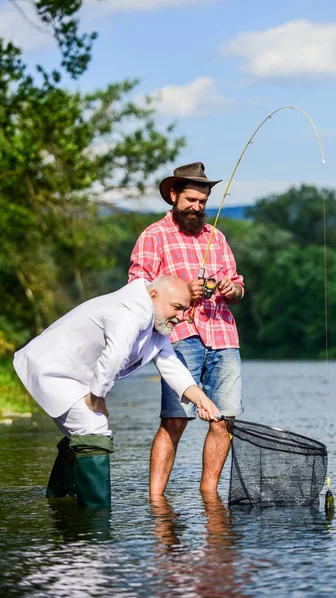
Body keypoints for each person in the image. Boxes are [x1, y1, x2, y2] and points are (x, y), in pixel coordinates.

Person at [13, 275, 220, 508]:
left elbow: (172, 367)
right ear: (153, 296)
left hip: (73, 374)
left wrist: (202, 400)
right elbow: (114, 356)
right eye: (177, 308)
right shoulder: (130, 311)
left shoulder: (157, 324)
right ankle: (96, 518)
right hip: (51, 366)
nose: (182, 317)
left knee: (81, 433)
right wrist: (96, 397)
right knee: (93, 428)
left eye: (185, 310)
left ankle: (61, 501)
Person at [129, 162, 245, 497]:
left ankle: (210, 495)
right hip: (179, 338)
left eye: (202, 201)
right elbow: (138, 287)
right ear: (174, 195)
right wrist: (182, 290)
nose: (196, 207)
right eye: (190, 199)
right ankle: (156, 498)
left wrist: (230, 289)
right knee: (175, 420)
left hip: (223, 337)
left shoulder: (216, 237)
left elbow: (238, 288)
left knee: (224, 420)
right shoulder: (154, 236)